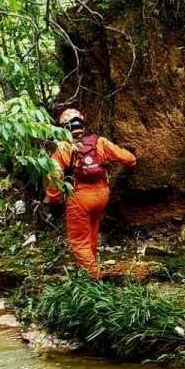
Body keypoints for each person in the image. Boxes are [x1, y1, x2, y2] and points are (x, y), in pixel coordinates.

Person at [44, 108, 137, 280]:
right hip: (102, 195)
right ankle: (92, 267)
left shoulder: (63, 149)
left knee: (79, 242)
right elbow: (129, 159)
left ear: (64, 127)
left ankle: (95, 280)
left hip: (79, 197)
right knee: (92, 234)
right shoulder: (99, 142)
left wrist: (54, 198)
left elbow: (54, 177)